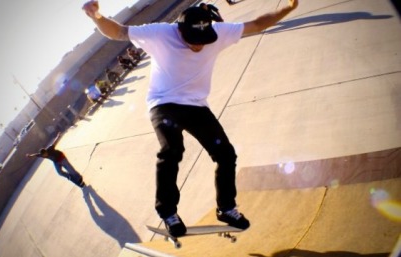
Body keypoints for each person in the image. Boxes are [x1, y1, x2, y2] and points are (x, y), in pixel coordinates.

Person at [83, 0, 298, 237]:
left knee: (226, 154)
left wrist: (288, 8)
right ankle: (168, 212)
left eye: (203, 41)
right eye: (192, 42)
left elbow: (257, 24)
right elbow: (120, 32)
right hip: (163, 103)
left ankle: (226, 208)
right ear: (180, 31)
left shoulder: (218, 32)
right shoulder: (160, 33)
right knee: (172, 149)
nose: (198, 47)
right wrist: (97, 17)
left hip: (196, 106)